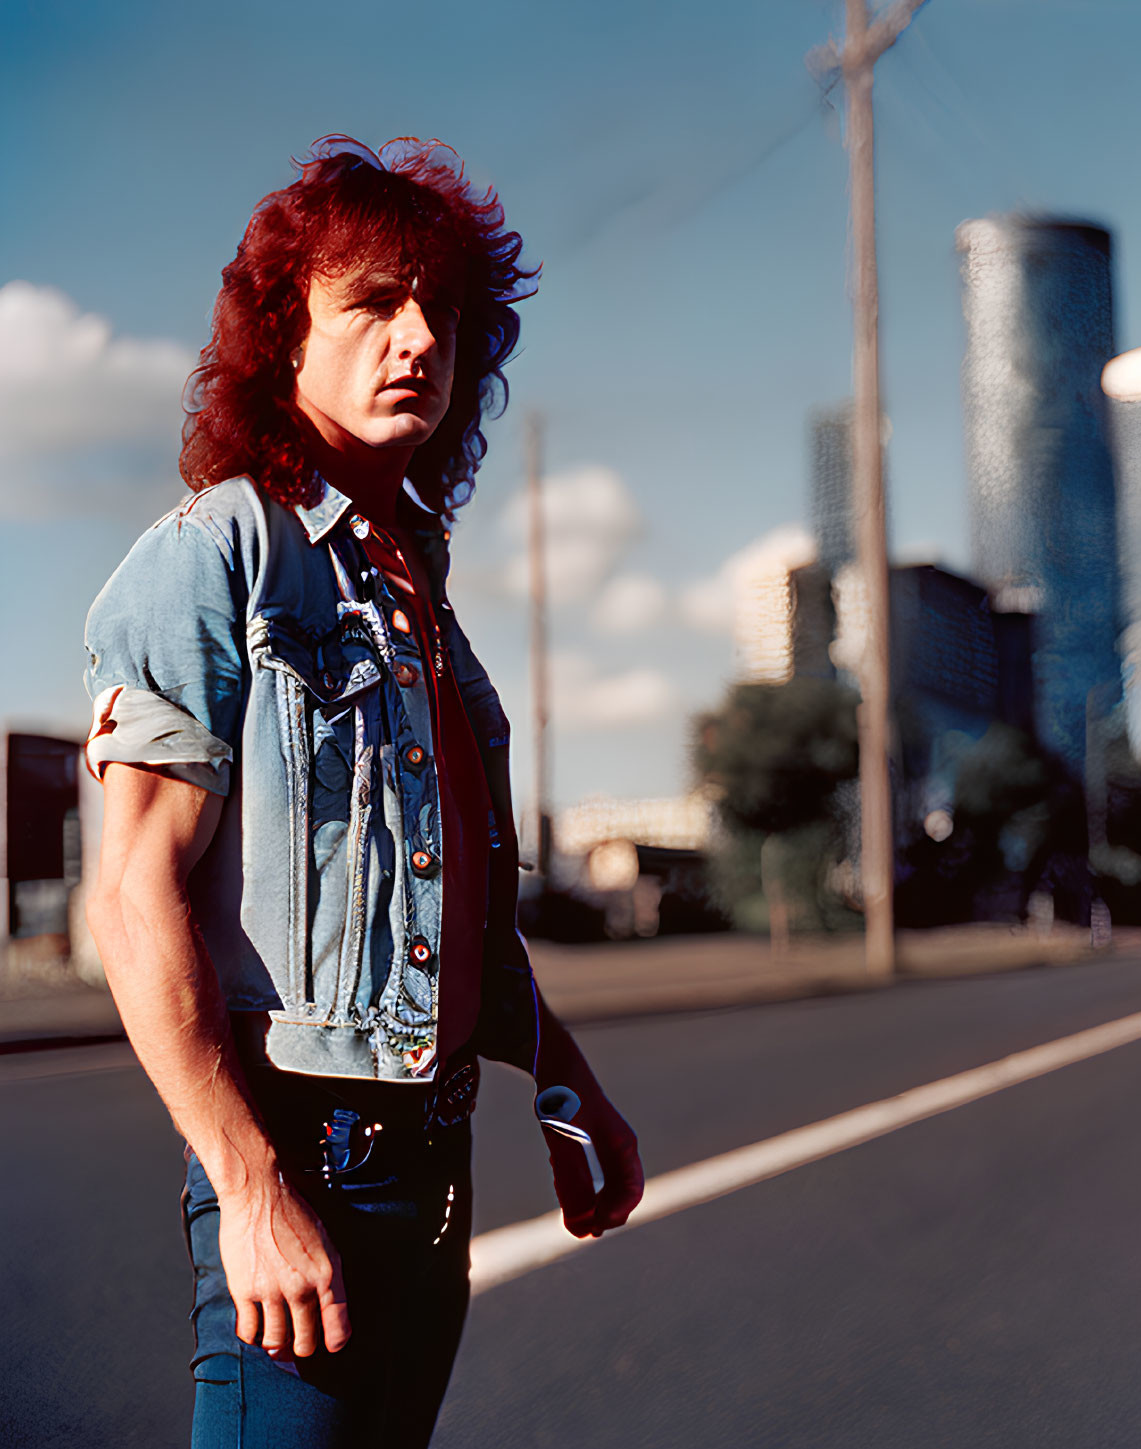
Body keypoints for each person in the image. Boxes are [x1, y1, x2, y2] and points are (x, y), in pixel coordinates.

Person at [82, 136, 644, 1448]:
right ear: (283, 337)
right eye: (375, 302)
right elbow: (128, 893)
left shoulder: (414, 596)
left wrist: (563, 1083)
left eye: (441, 311)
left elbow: (458, 905)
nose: (418, 338)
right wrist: (248, 1185)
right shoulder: (217, 554)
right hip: (303, 1157)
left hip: (432, 1164)